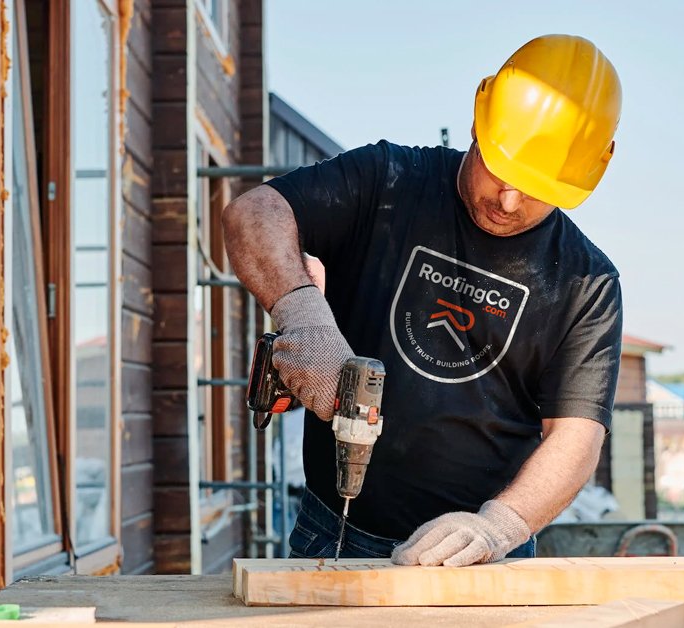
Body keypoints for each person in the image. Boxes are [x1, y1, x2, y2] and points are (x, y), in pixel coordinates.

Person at [222, 34, 624, 567]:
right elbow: (254, 213)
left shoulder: (587, 282)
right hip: (336, 531)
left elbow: (576, 439)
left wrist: (499, 526)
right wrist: (301, 313)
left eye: (536, 187)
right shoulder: (388, 180)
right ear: (478, 124)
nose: (509, 200)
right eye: (501, 170)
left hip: (482, 554)